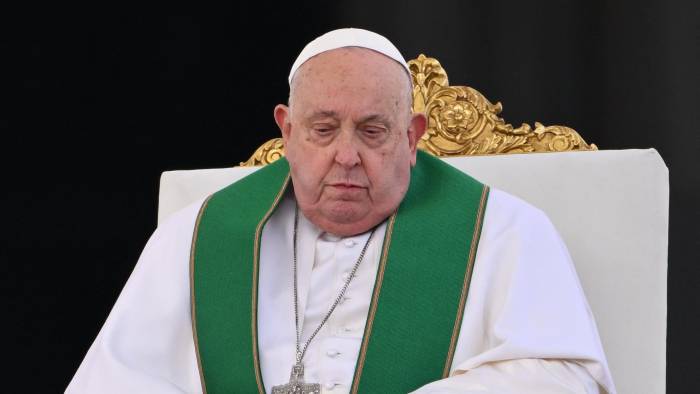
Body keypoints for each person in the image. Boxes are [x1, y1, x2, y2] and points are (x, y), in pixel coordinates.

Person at [67, 28, 616, 393]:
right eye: (323, 130)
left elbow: (567, 378)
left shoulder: (503, 232)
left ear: (412, 137)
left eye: (373, 131)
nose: (346, 156)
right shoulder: (196, 238)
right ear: (286, 131)